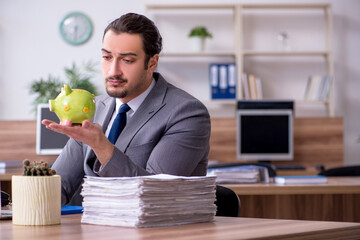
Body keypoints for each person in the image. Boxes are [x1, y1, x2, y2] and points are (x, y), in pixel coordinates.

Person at [42, 13, 211, 205]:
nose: (113, 71)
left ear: (152, 62)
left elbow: (154, 194)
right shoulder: (94, 108)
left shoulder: (187, 113)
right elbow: (58, 188)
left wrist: (100, 145)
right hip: (93, 229)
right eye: (106, 57)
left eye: (127, 60)